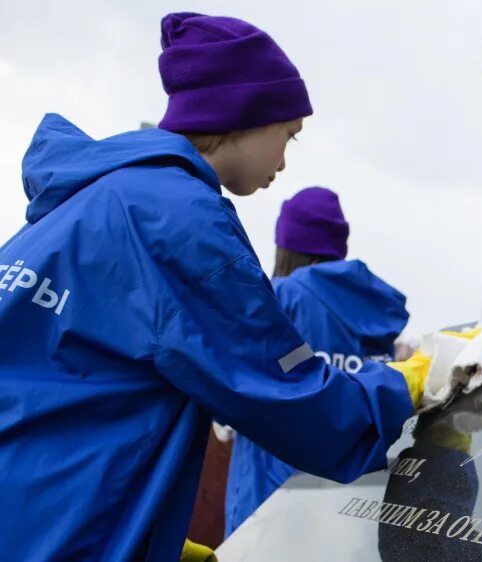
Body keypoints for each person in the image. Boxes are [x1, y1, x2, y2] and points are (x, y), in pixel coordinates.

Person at [0, 13, 444, 561]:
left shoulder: (73, 208)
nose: (285, 160)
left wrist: (152, 537)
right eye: (289, 135)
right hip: (65, 536)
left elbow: (61, 386)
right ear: (247, 116)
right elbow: (278, 389)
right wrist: (410, 385)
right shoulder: (177, 219)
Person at [224, 186, 409, 536]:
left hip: (271, 503)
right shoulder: (373, 311)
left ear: (287, 247)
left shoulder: (280, 297)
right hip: (353, 508)